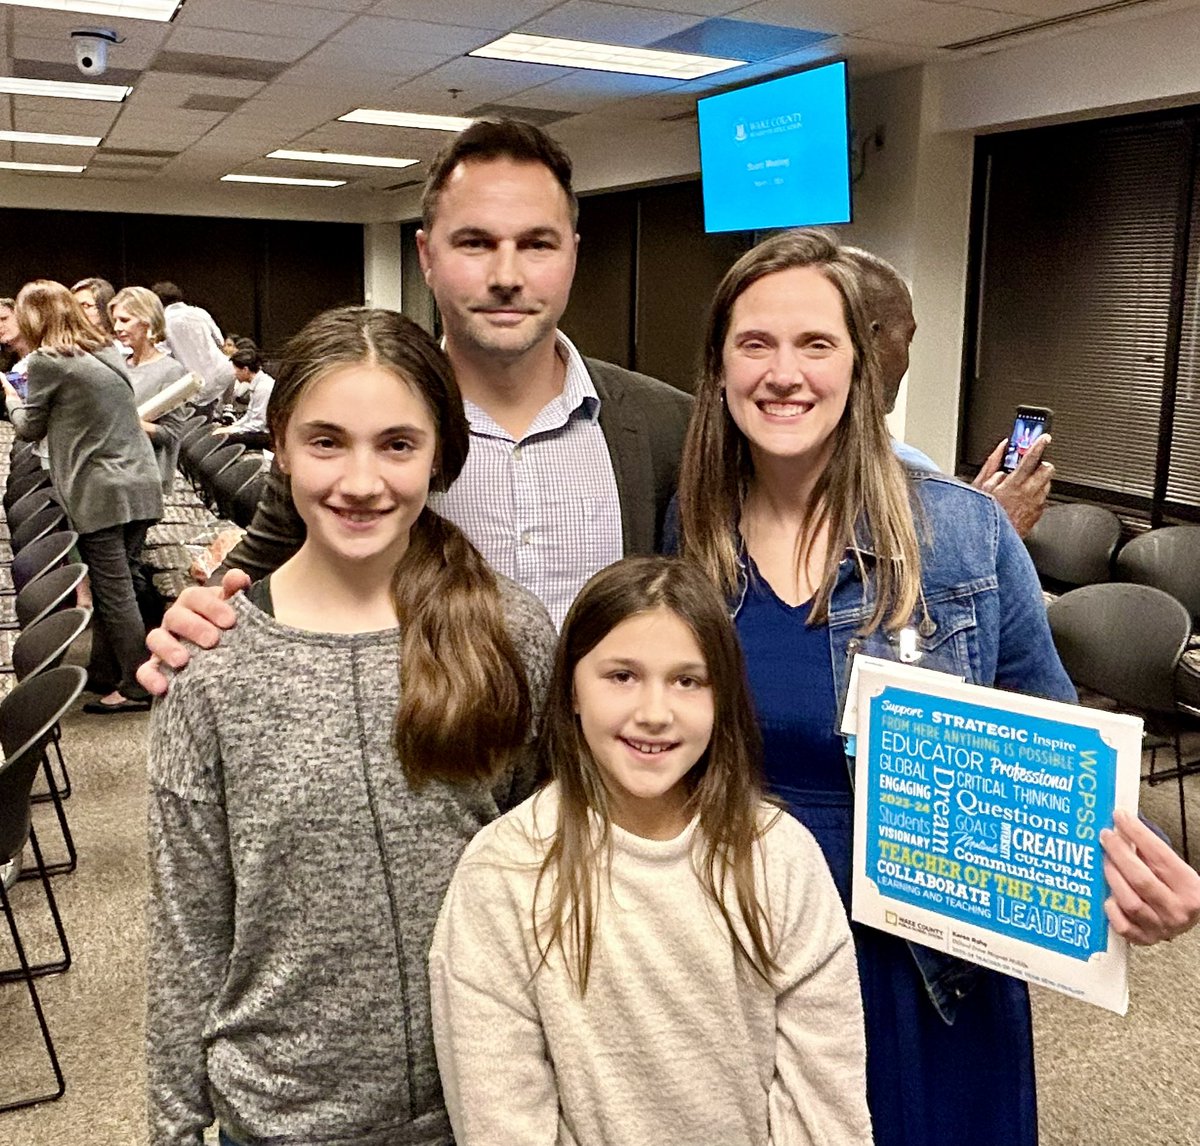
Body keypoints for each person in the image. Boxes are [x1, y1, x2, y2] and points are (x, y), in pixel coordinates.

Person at [672, 229, 1200, 1146]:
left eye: (817, 344)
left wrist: (1139, 871)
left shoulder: (963, 536)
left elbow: (1055, 747)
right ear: (718, 369)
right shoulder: (688, 530)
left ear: (859, 369)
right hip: (740, 939)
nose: (784, 372)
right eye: (755, 343)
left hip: (925, 961)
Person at [146, 306, 557, 1146]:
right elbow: (186, 939)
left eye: (397, 445)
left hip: (486, 1106)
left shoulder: (508, 635)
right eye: (327, 441)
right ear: (281, 447)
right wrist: (174, 1131)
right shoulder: (215, 665)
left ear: (440, 453)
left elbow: (556, 881)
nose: (361, 481)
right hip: (279, 1116)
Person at [144, 119, 691, 643]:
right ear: (427, 256)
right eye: (475, 243)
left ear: (573, 253)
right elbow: (258, 572)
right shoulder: (352, 430)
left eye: (537, 244)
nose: (506, 277)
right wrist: (199, 616)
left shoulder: (667, 426)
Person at [430, 555, 872, 1146]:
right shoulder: (504, 872)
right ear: (572, 690)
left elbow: (826, 1106)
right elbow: (501, 1118)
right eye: (622, 676)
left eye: (688, 680)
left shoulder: (781, 859)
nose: (655, 714)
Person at [2, 279, 162, 712]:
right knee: (122, 582)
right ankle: (105, 672)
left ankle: (137, 685)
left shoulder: (50, 361)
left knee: (114, 590)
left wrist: (11, 395)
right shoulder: (104, 349)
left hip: (100, 490)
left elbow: (29, 427)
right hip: (138, 479)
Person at [843, 246, 1053, 538]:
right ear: (870, 338)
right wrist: (996, 530)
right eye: (908, 339)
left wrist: (967, 509)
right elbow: (897, 582)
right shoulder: (907, 477)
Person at [109, 286, 191, 492]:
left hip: (144, 479)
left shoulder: (170, 371)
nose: (117, 327)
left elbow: (171, 436)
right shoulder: (117, 363)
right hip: (113, 471)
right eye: (115, 320)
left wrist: (127, 421)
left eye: (125, 320)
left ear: (147, 322)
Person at [152, 280, 235, 418]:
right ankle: (228, 408)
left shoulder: (163, 322)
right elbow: (220, 342)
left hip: (196, 384)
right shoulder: (200, 312)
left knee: (197, 426)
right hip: (224, 374)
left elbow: (161, 354)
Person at [212, 348, 273, 449]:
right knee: (220, 433)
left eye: (236, 370)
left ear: (245, 370)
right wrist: (232, 427)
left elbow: (258, 424)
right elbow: (249, 416)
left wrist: (231, 430)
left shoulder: (263, 388)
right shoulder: (258, 384)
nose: (234, 374)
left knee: (223, 440)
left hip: (266, 434)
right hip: (258, 430)